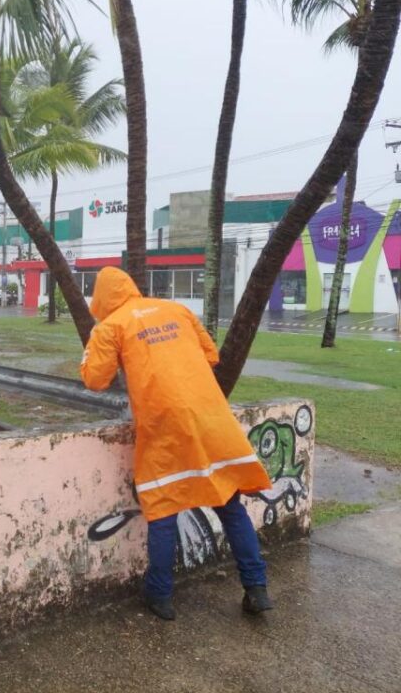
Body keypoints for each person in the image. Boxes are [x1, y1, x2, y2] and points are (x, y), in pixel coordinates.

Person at [79, 266, 274, 621]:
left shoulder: (110, 327)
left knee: (163, 509)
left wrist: (96, 344)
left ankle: (159, 596)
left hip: (165, 428)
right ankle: (256, 588)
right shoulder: (177, 310)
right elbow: (211, 355)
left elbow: (94, 379)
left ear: (101, 298)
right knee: (230, 505)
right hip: (212, 419)